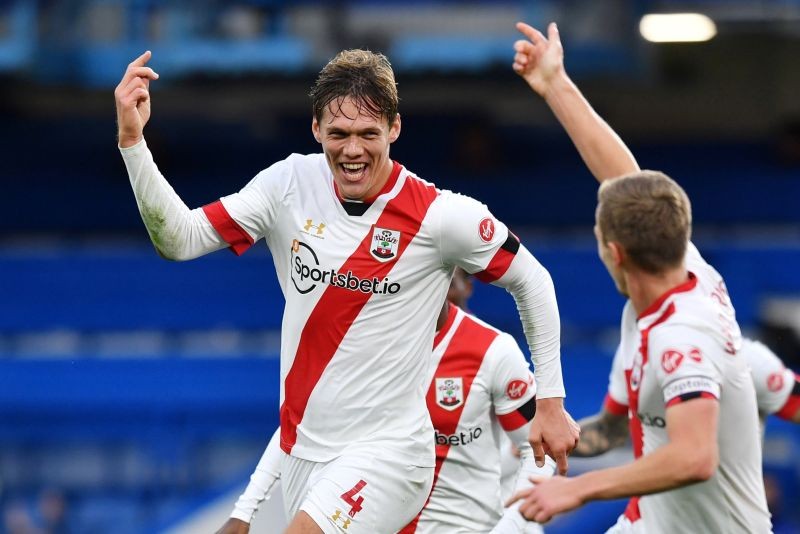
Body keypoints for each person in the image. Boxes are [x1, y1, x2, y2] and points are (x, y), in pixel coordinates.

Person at [114, 49, 578, 533]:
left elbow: (533, 279)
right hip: (304, 453)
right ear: (316, 128)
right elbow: (179, 239)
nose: (352, 150)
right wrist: (132, 142)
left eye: (367, 135)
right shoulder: (287, 184)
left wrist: (551, 400)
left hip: (391, 453)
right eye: (338, 134)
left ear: (395, 128)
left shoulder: (441, 216)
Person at [507, 21, 771, 532]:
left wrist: (578, 488)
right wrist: (555, 83)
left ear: (614, 252)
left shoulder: (683, 335)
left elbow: (695, 458)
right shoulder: (677, 262)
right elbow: (623, 179)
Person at [217, 269, 554, 534]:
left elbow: (537, 450)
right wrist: (245, 509)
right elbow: (301, 427)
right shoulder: (363, 347)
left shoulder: (493, 351)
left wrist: (510, 526)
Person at [575, 337, 800, 458]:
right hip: (651, 519)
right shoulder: (632, 353)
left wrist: (583, 488)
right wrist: (544, 442)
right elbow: (608, 432)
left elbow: (695, 462)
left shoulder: (747, 361)